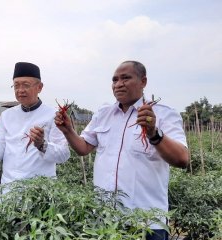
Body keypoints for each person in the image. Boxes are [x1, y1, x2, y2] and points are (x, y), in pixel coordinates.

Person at [54, 60, 189, 240]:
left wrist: (153, 133)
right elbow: (83, 148)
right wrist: (68, 130)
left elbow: (182, 159)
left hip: (146, 223)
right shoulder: (104, 114)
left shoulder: (163, 114)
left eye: (125, 78)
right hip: (104, 220)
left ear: (143, 82)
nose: (118, 84)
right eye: (115, 80)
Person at [0, 62, 70, 192]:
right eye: (16, 85)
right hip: (10, 190)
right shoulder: (7, 115)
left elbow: (63, 155)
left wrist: (41, 144)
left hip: (40, 191)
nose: (20, 90)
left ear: (39, 87)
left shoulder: (53, 115)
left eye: (26, 85)